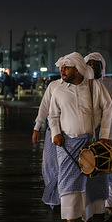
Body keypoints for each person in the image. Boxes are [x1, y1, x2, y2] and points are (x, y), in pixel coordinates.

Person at [48, 52, 112, 222]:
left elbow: (108, 108)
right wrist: (56, 133)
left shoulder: (95, 87)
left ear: (77, 70)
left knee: (89, 183)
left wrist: (105, 134)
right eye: (62, 68)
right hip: (67, 145)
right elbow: (52, 115)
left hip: (91, 144)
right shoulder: (59, 90)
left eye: (66, 68)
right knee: (69, 184)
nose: (62, 70)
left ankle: (88, 219)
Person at [85, 52, 112, 222]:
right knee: (90, 168)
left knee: (111, 167)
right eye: (89, 65)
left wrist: (109, 113)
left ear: (102, 68)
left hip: (111, 131)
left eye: (96, 65)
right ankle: (88, 207)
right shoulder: (81, 86)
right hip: (88, 133)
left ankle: (108, 206)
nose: (93, 68)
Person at [32, 68, 65, 207]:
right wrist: (37, 127)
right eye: (62, 68)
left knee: (67, 167)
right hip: (53, 132)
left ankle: (66, 199)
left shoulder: (83, 87)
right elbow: (44, 107)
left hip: (74, 135)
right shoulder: (54, 86)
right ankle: (54, 196)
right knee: (49, 165)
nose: (64, 70)